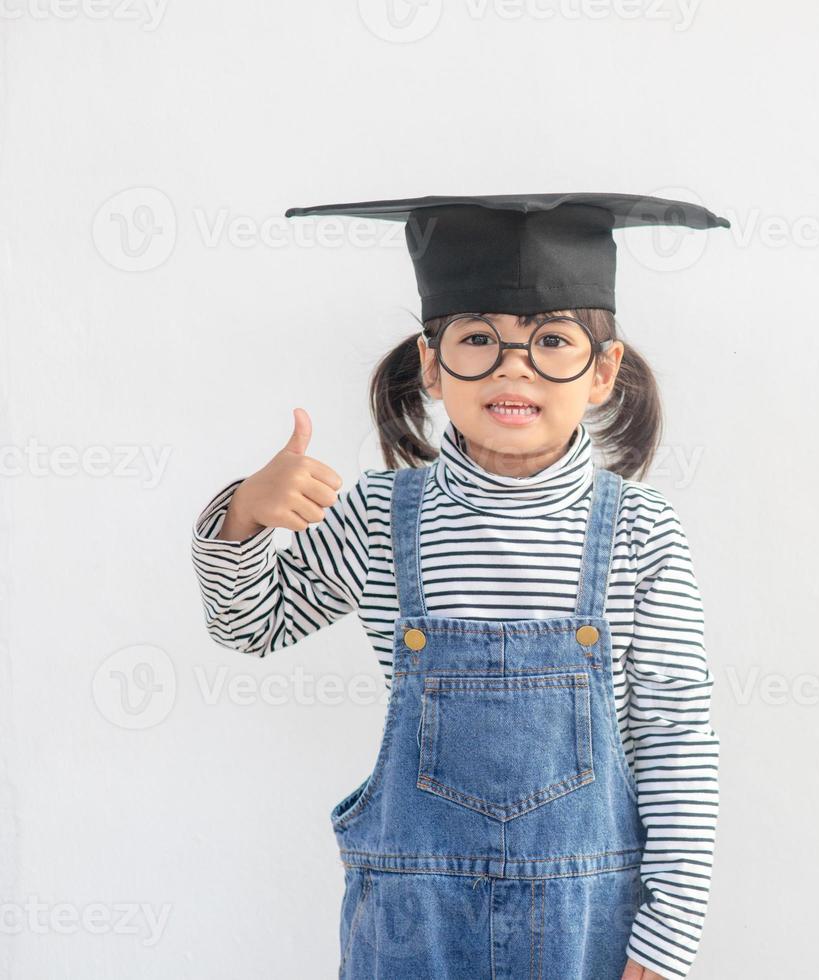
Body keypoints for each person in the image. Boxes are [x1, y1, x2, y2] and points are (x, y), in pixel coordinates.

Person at [188, 193, 728, 978]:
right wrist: (242, 517)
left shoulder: (642, 533)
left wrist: (669, 933)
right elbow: (250, 626)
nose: (515, 367)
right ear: (433, 365)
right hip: (414, 928)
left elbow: (675, 737)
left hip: (590, 930)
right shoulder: (380, 516)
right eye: (479, 339)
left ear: (603, 372)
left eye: (552, 341)